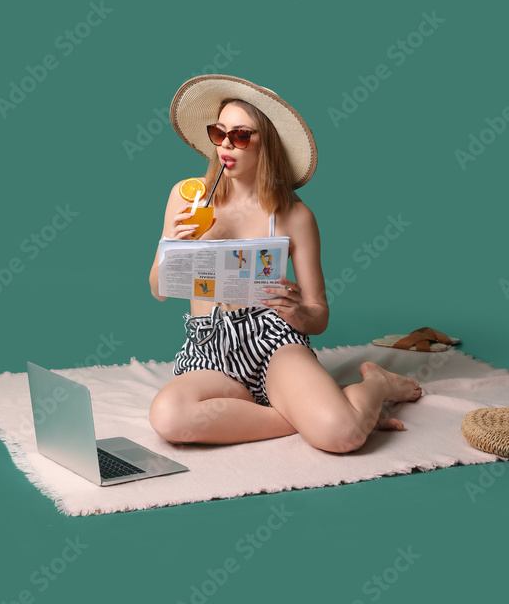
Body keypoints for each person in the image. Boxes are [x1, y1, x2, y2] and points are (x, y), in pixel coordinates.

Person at [148, 75, 422, 453]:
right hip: (210, 347)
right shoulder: (186, 197)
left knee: (343, 435)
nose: (226, 144)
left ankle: (376, 385)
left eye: (241, 136)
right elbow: (158, 290)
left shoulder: (295, 216)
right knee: (168, 417)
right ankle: (303, 415)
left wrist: (297, 313)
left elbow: (319, 316)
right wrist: (173, 250)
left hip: (275, 343)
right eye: (219, 132)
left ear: (268, 145)